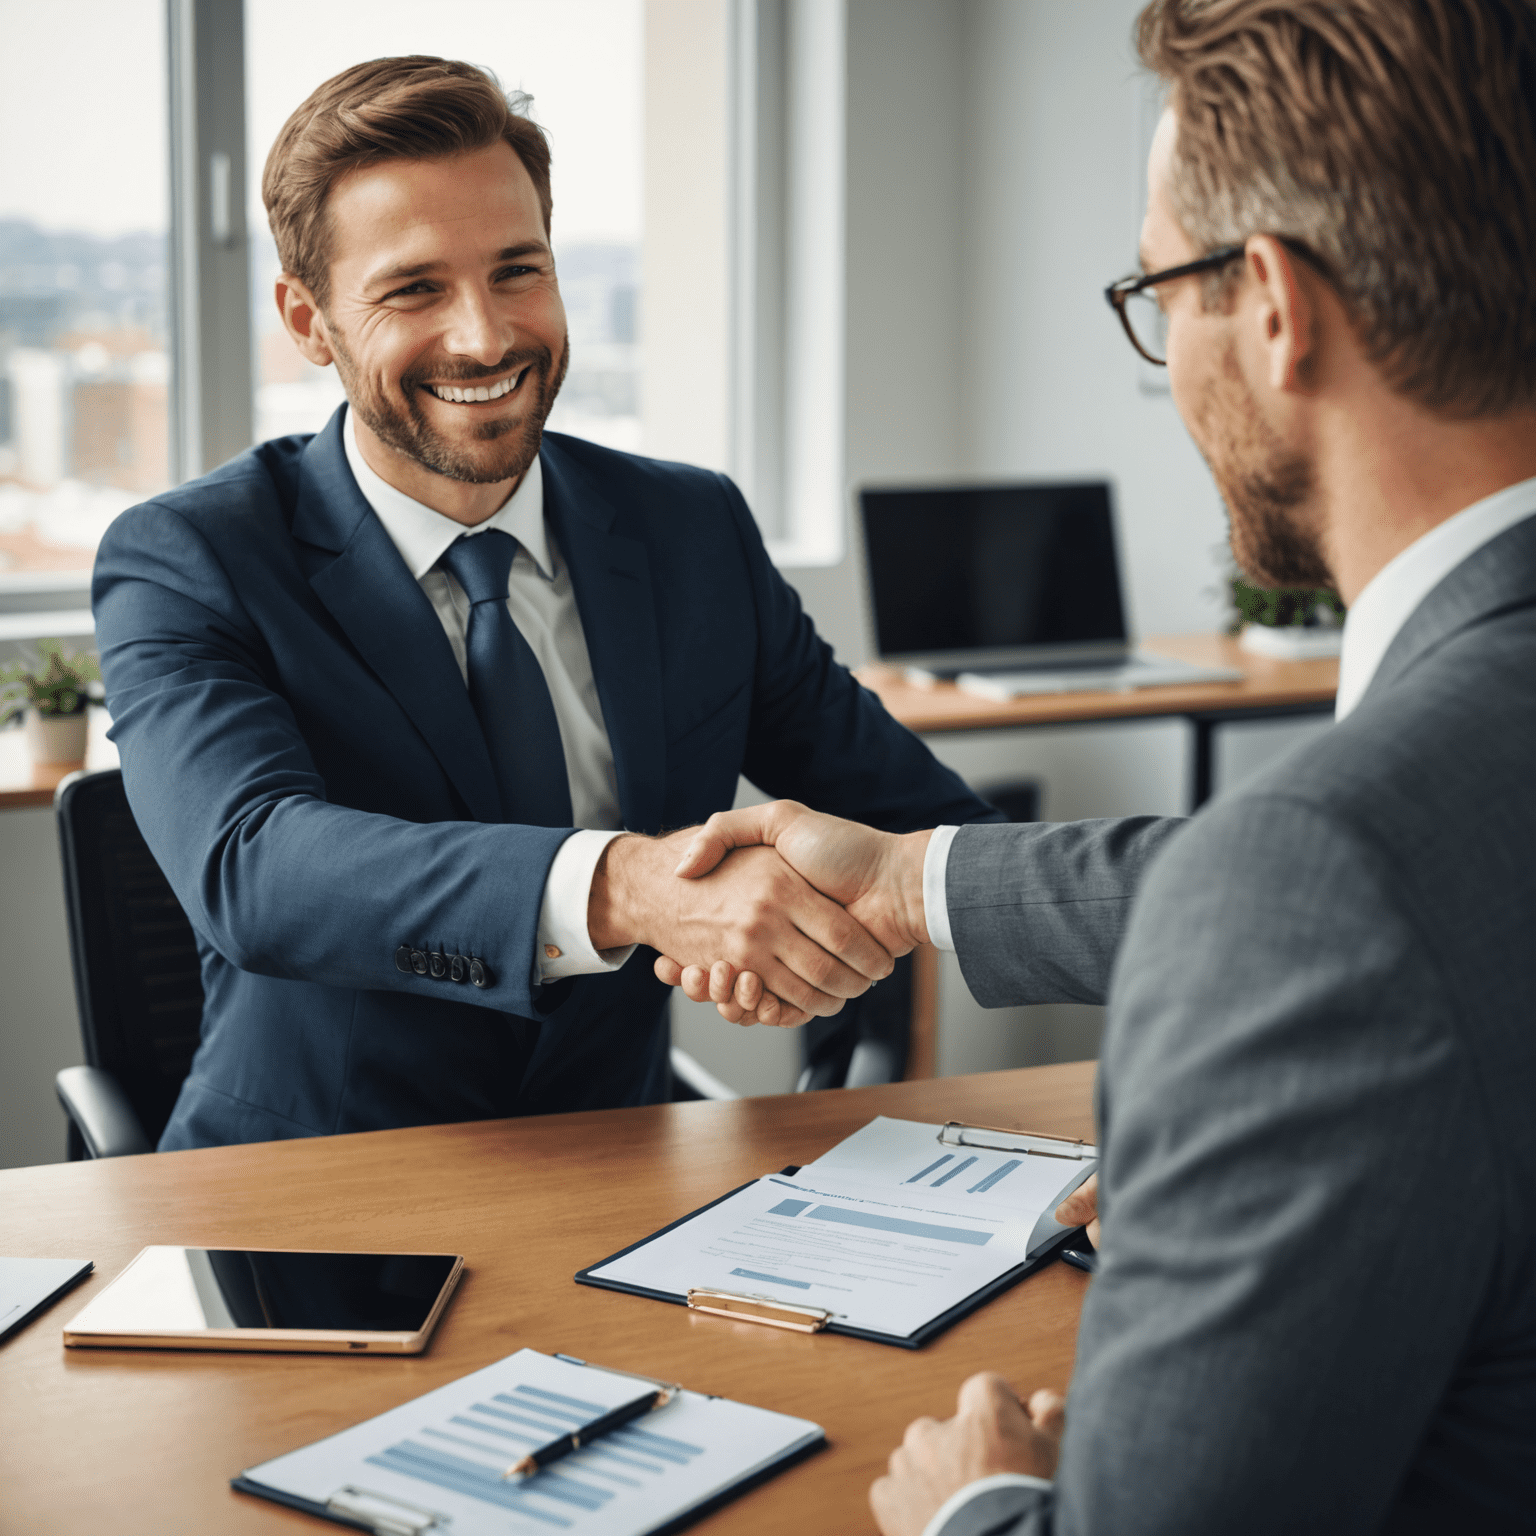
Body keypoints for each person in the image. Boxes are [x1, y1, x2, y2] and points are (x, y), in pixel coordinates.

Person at [656, 0, 1536, 1529]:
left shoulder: (1326, 882)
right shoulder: (1400, 834)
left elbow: (1321, 906)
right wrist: (917, 876)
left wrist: (984, 1504)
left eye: (1161, 283)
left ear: (1270, 304)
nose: (1164, 341)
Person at [91, 56, 996, 1151]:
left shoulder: (689, 529)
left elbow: (917, 818)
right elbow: (255, 864)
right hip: (314, 1191)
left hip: (620, 1172)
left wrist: (830, 916)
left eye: (517, 270)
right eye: (414, 288)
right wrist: (634, 887)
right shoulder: (192, 555)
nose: (484, 336)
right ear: (308, 318)